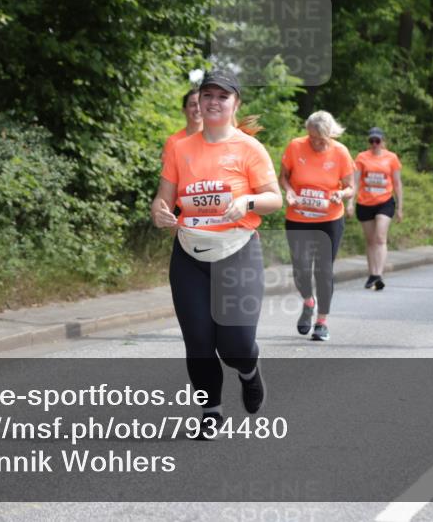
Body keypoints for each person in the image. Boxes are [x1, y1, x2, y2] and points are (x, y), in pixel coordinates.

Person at [150, 71, 281, 438]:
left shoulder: (248, 148)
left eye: (222, 96)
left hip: (236, 250)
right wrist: (160, 212)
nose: (213, 102)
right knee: (198, 341)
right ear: (199, 102)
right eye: (207, 95)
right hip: (189, 254)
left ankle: (248, 371)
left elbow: (274, 198)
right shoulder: (180, 148)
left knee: (235, 343)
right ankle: (211, 410)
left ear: (235, 103)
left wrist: (248, 200)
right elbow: (163, 198)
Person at [280, 111, 355, 342]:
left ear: (330, 134)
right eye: (311, 138)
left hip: (329, 220)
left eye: (321, 139)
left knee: (323, 270)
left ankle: (322, 321)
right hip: (299, 218)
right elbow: (283, 177)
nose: (315, 143)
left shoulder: (340, 152)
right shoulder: (295, 147)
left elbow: (351, 187)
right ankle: (308, 302)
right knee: (301, 268)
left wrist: (341, 194)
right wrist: (290, 191)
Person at [347, 127, 402, 291]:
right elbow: (355, 183)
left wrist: (400, 207)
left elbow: (397, 183)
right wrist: (349, 203)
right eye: (371, 141)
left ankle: (379, 274)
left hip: (385, 201)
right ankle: (372, 274)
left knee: (380, 237)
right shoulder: (361, 157)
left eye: (377, 141)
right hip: (365, 203)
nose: (374, 144)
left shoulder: (391, 158)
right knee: (370, 240)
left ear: (383, 141)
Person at [161, 87, 202, 166]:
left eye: (200, 104)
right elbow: (167, 175)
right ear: (184, 110)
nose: (198, 109)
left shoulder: (215, 139)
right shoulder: (173, 142)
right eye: (192, 105)